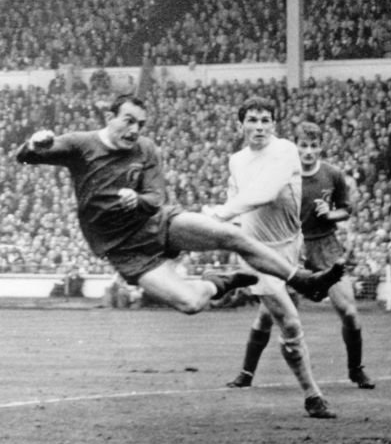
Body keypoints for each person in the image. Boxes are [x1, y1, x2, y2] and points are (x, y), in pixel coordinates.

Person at [13, 94, 345, 316]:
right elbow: (25, 157)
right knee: (190, 303)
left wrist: (137, 199)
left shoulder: (146, 149)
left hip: (158, 223)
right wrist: (35, 142)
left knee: (232, 235)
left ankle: (304, 280)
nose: (134, 130)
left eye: (140, 124)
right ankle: (222, 281)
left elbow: (156, 198)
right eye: (128, 121)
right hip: (123, 249)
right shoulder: (80, 144)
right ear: (109, 117)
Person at [211, 97, 337, 418]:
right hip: (257, 252)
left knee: (269, 315)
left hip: (290, 245)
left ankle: (246, 373)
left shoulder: (285, 151)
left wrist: (220, 214)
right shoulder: (236, 161)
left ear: (274, 125)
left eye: (266, 120)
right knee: (289, 320)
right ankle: (313, 395)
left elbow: (264, 193)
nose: (259, 126)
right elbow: (236, 196)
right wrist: (232, 232)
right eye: (252, 120)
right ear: (240, 125)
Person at [226, 121, 374, 390]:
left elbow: (347, 209)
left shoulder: (333, 174)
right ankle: (246, 374)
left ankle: (356, 369)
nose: (308, 151)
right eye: (303, 145)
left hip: (324, 246)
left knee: (349, 312)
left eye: (313, 146)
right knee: (267, 315)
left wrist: (330, 214)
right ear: (294, 147)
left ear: (321, 148)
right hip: (290, 247)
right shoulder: (281, 173)